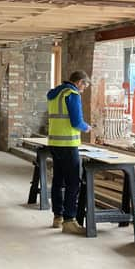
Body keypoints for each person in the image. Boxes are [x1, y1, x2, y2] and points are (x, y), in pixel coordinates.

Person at [46, 70, 91, 235]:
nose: (83, 90)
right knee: (73, 182)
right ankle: (70, 220)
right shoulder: (72, 93)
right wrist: (87, 127)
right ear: (79, 82)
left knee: (58, 180)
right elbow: (77, 121)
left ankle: (57, 217)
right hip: (68, 144)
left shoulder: (55, 94)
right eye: (84, 86)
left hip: (54, 143)